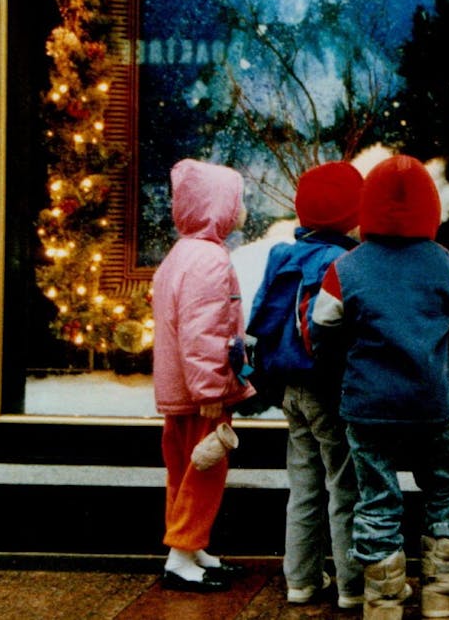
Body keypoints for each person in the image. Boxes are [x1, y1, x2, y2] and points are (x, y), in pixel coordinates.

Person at [309, 154, 449, 620]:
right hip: (429, 404)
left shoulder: (346, 269)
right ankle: (445, 594)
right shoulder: (446, 266)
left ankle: (383, 601)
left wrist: (349, 371)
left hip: (367, 406)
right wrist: (431, 363)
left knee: (377, 497)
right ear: (430, 209)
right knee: (446, 488)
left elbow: (322, 333)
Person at [247, 161, 365, 607]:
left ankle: (300, 579)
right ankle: (353, 583)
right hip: (328, 387)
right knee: (344, 484)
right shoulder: (344, 261)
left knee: (304, 485)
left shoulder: (282, 256)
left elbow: (262, 318)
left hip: (288, 388)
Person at [152, 158, 257, 593]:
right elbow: (204, 332)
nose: (241, 210)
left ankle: (191, 548)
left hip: (181, 389)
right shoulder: (210, 260)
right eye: (236, 201)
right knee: (205, 469)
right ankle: (181, 552)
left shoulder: (180, 256)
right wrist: (212, 389)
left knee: (182, 468)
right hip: (203, 393)